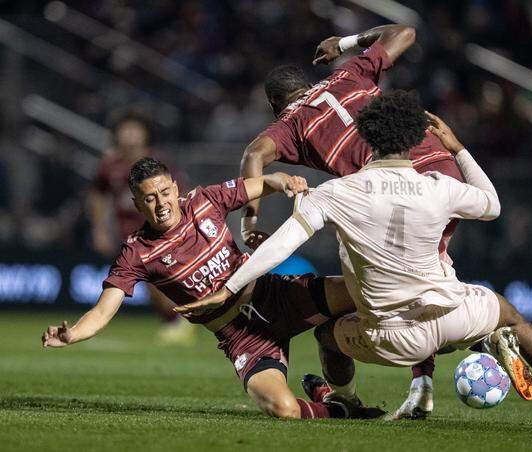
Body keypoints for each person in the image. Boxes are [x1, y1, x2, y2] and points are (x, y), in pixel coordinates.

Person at [178, 92, 532, 429]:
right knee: (512, 316)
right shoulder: (438, 185)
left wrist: (229, 287)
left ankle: (344, 400)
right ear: (414, 140)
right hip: (452, 313)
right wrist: (458, 148)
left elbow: (278, 249)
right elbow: (493, 205)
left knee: (327, 333)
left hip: (392, 339)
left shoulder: (337, 193)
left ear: (366, 138)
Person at [43, 157, 382, 420]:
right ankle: (336, 407)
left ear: (175, 188)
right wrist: (73, 334)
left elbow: (263, 181)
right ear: (137, 205)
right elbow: (103, 310)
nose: (161, 204)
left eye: (164, 193)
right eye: (149, 199)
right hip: (240, 335)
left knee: (365, 293)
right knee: (284, 410)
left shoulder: (205, 200)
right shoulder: (138, 252)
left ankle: (415, 378)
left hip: (275, 295)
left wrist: (284, 181)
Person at [240, 23, 462, 418]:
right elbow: (405, 31)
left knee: (404, 298)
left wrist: (248, 221)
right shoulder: (348, 73)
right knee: (420, 281)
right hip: (441, 168)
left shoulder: (289, 123)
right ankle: (425, 380)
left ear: (275, 104)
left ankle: (477, 337)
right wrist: (343, 43)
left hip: (394, 195)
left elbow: (253, 155)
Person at [89, 112, 195, 345]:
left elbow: (179, 193)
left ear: (144, 134)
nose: (129, 135)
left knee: (155, 282)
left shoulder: (157, 164)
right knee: (151, 286)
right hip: (130, 236)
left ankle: (179, 322)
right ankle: (177, 322)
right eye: (124, 130)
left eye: (134, 130)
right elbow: (97, 194)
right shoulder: (110, 166)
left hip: (159, 232)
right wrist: (99, 229)